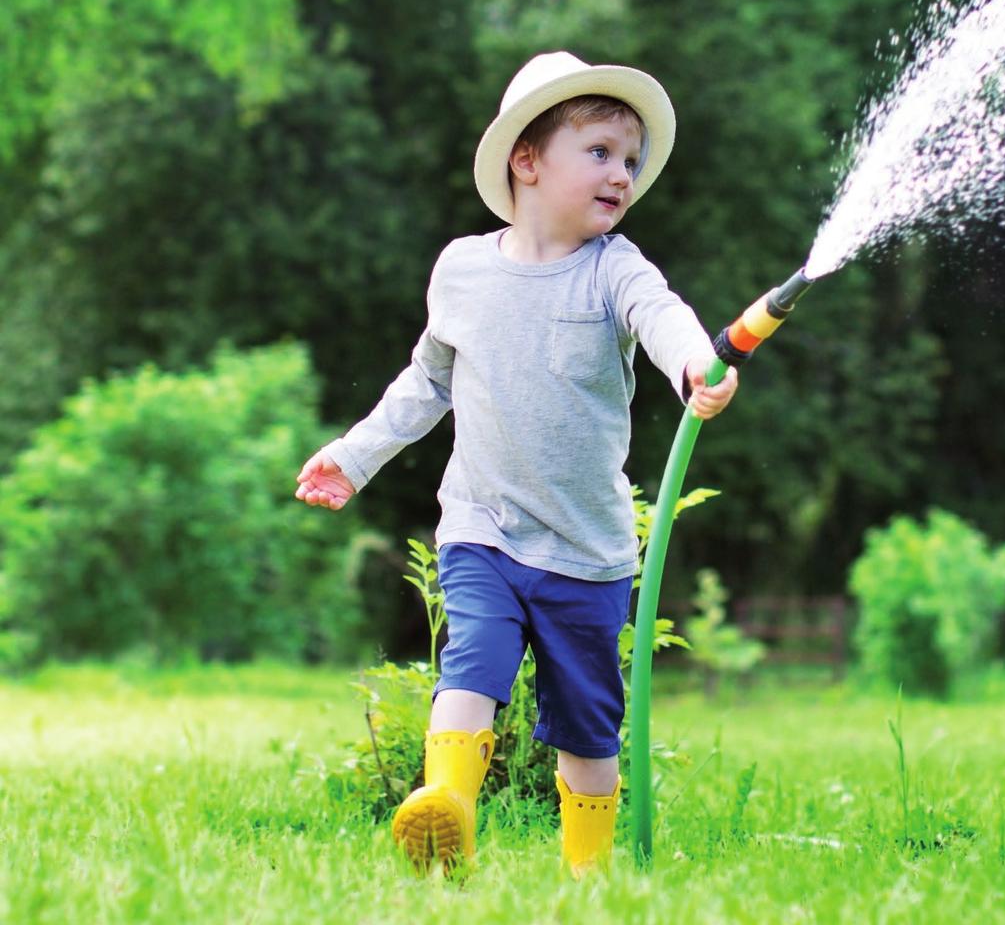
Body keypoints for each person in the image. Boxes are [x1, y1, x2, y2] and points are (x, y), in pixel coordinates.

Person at [295, 51, 738, 875]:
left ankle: (587, 876)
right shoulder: (462, 269)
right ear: (526, 162)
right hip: (482, 525)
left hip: (587, 551)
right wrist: (354, 457)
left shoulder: (616, 270)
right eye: (600, 151)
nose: (623, 174)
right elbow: (427, 383)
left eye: (632, 160)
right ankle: (446, 809)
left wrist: (692, 368)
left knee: (587, 725)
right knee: (473, 658)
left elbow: (665, 315)